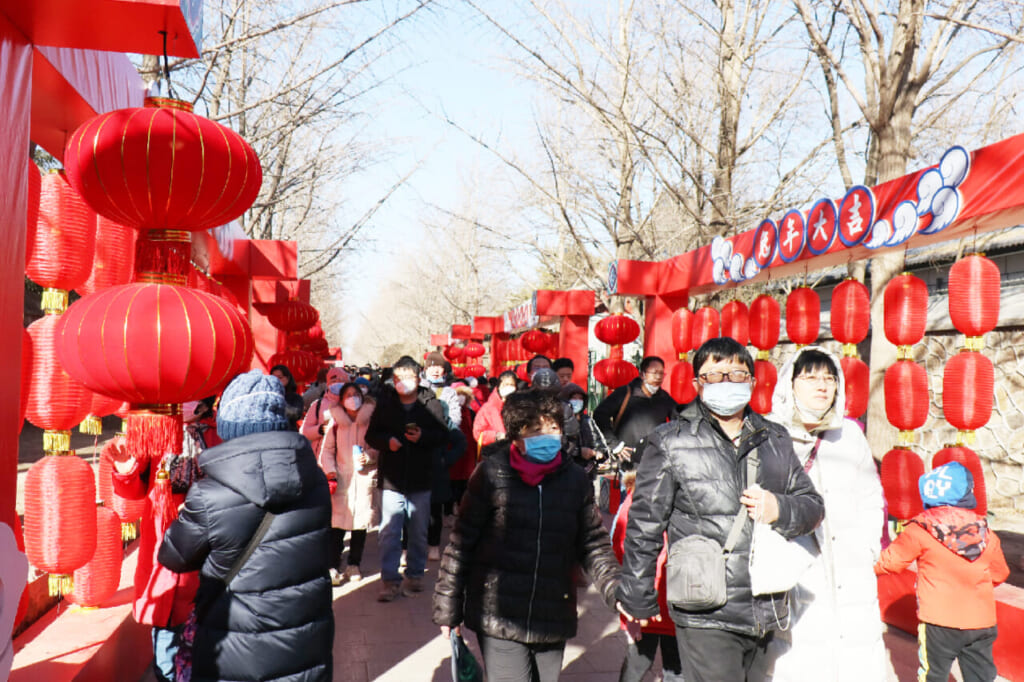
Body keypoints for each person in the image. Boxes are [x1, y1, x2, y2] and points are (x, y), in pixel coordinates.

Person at [617, 337, 825, 681]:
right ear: (697, 383)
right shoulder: (670, 441)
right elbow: (645, 526)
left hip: (767, 600)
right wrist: (638, 594)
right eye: (714, 375)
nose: (726, 382)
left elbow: (812, 507)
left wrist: (780, 508)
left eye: (736, 374)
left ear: (753, 382)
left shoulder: (774, 437)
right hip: (704, 604)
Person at [432, 390, 623, 682]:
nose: (546, 436)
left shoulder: (573, 479)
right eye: (534, 429)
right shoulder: (491, 474)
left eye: (553, 428)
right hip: (499, 612)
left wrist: (616, 591)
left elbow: (593, 543)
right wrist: (448, 608)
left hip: (553, 609)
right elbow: (461, 545)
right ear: (516, 436)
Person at [158, 370, 334, 682]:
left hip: (234, 647)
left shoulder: (210, 494)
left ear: (229, 425)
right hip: (305, 638)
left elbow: (174, 556)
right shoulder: (314, 479)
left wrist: (184, 515)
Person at [756, 346, 886, 681]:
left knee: (855, 659)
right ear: (791, 383)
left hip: (850, 568)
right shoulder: (769, 434)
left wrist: (868, 545)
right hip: (795, 568)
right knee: (796, 659)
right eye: (810, 377)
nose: (822, 386)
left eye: (829, 378)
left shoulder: (851, 434)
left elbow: (872, 495)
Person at [875, 462, 1009, 682]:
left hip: (938, 622)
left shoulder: (919, 530)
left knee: (933, 674)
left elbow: (890, 562)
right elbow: (999, 573)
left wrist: (861, 565)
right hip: (981, 621)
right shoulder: (986, 532)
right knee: (981, 675)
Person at [365, 356, 448, 601]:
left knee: (418, 530)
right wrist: (386, 443)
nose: (403, 382)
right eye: (398, 377)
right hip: (392, 479)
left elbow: (442, 435)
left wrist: (422, 436)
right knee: (390, 531)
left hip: (421, 478)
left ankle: (414, 575)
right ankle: (389, 580)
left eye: (408, 376)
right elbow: (371, 435)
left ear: (418, 376)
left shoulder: (431, 403)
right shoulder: (385, 403)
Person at [613, 472, 683, 682]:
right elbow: (620, 548)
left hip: (668, 598)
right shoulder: (638, 499)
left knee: (672, 665)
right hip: (650, 599)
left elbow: (619, 547)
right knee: (641, 661)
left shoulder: (638, 497)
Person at [320, 381, 379, 586]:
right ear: (342, 400)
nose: (352, 398)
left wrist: (369, 457)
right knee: (337, 526)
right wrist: (330, 472)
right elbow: (326, 451)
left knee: (360, 524)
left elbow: (377, 448)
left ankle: (354, 563)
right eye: (348, 395)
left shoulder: (370, 421)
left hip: (364, 476)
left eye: (356, 394)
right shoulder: (335, 423)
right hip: (342, 477)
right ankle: (332, 565)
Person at [593, 356, 679, 467]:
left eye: (662, 373)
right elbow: (600, 415)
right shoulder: (626, 393)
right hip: (628, 462)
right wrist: (614, 444)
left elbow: (679, 420)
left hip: (656, 461)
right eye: (654, 372)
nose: (658, 377)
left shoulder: (664, 398)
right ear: (642, 374)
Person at [301, 366, 351, 452]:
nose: (337, 384)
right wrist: (319, 430)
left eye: (341, 381)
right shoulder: (318, 405)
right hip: (321, 456)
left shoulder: (354, 403)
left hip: (347, 455)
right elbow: (304, 431)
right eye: (334, 381)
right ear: (327, 384)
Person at [559, 382, 603, 475]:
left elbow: (600, 443)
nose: (577, 402)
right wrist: (579, 452)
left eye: (580, 398)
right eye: (574, 398)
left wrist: (597, 454)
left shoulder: (587, 421)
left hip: (587, 473)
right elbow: (560, 447)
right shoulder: (558, 421)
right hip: (565, 472)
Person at [473, 369, 518, 449]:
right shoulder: (488, 408)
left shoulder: (520, 406)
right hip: (496, 452)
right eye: (505, 385)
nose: (508, 387)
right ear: (498, 387)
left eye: (511, 385)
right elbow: (477, 433)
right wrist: (496, 436)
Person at [270, 363, 306, 430]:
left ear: (288, 378)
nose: (276, 380)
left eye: (280, 377)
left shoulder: (295, 397)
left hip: (287, 433)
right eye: (273, 378)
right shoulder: (267, 396)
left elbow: (295, 414)